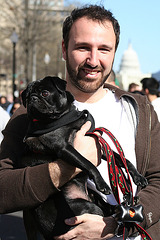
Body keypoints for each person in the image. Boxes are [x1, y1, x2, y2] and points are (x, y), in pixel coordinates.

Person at [0, 5, 159, 240]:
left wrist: (117, 222)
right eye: (83, 47)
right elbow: (3, 190)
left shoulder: (140, 111)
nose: (93, 60)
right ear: (64, 49)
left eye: (104, 49)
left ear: (115, 52)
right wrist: (65, 168)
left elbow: (158, 182)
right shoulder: (30, 115)